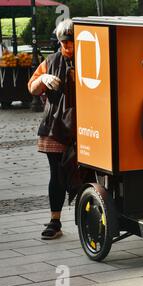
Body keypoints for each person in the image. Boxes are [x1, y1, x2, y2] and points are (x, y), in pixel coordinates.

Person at [28, 19, 76, 240]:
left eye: (71, 42)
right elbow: (32, 87)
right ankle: (55, 220)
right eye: (64, 43)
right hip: (55, 123)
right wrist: (43, 80)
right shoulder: (50, 61)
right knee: (56, 174)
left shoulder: (90, 58)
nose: (68, 47)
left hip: (83, 123)